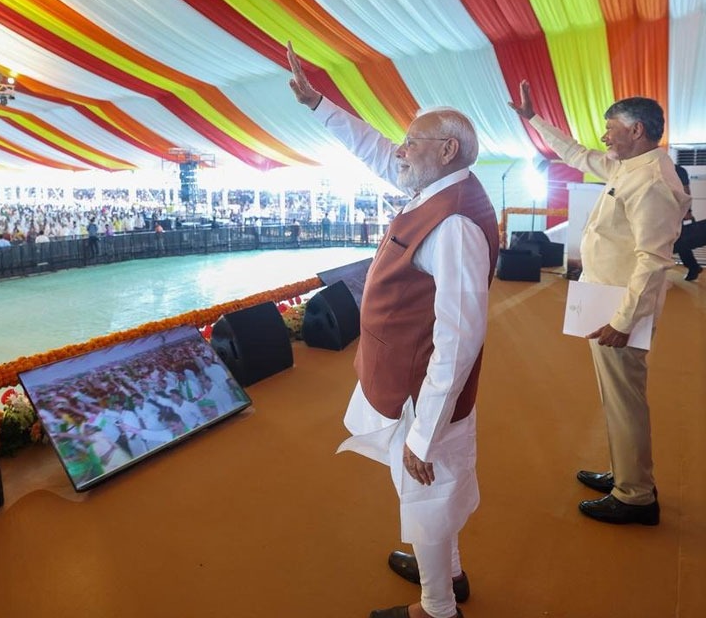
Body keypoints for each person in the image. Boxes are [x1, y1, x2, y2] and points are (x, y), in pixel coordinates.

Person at [288, 41, 498, 618]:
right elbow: (376, 151)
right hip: (408, 376)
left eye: (412, 142)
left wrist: (424, 432)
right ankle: (448, 573)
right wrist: (318, 105)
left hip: (421, 389)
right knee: (433, 490)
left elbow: (460, 336)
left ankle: (436, 607)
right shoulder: (438, 189)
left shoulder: (454, 222)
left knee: (426, 491)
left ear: (447, 150)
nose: (399, 150)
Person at [509, 81, 689, 526]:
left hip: (620, 306)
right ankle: (626, 474)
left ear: (637, 130)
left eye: (612, 129)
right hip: (606, 296)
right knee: (617, 397)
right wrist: (533, 119)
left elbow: (653, 261)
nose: (605, 137)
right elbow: (574, 154)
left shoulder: (650, 181)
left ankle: (635, 496)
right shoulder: (630, 167)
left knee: (625, 399)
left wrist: (623, 321)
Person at [673, 164, 702, 281]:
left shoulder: (677, 170)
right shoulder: (676, 169)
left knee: (678, 241)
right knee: (678, 241)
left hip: (674, 211)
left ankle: (693, 266)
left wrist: (687, 211)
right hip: (664, 211)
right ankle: (693, 266)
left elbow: (686, 192)